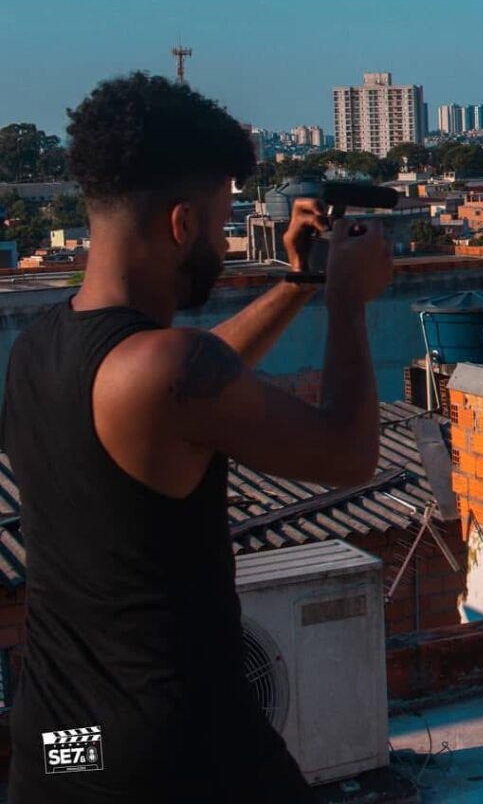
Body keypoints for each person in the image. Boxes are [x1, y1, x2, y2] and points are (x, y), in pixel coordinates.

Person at [1, 73, 393, 802]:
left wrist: (299, 282)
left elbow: (196, 376)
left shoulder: (43, 346)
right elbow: (349, 454)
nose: (222, 239)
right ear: (181, 225)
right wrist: (347, 301)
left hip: (62, 744)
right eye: (219, 221)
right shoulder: (167, 372)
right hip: (176, 751)